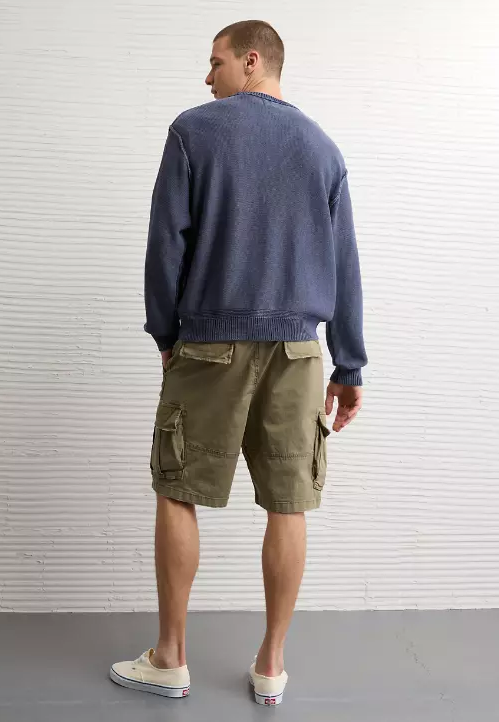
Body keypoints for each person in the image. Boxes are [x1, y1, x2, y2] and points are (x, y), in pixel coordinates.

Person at [110, 19, 367, 706]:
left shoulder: (194, 132)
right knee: (289, 503)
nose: (208, 76)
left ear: (252, 60)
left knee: (177, 489)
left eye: (216, 61)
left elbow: (166, 243)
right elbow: (344, 265)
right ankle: (271, 666)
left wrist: (166, 334)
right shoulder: (322, 148)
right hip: (299, 351)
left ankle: (171, 658)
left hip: (210, 342)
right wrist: (349, 365)